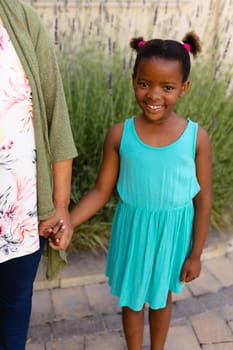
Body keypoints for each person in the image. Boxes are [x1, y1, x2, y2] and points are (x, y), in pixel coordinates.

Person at [52, 31, 212, 350]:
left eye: (167, 87)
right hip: (134, 230)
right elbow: (100, 191)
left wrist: (196, 253)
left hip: (172, 233)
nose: (154, 94)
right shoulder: (119, 135)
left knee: (161, 296)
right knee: (133, 299)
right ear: (132, 80)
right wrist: (67, 221)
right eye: (144, 83)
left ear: (184, 88)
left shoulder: (196, 138)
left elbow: (203, 199)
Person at [0, 1, 77, 349]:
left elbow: (54, 116)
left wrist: (59, 205)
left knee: (13, 315)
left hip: (20, 219)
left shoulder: (19, 17)